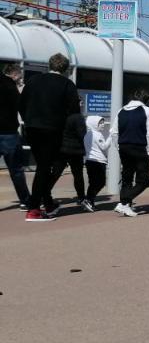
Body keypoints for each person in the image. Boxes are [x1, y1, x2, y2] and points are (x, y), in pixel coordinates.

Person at [18, 52, 79, 221]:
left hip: (32, 128)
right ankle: (34, 208)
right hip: (53, 130)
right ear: (66, 69)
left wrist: (28, 120)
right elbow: (74, 112)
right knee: (48, 168)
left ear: (49, 65)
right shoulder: (67, 85)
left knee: (43, 167)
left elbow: (22, 104)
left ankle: (48, 202)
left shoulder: (33, 81)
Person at [114, 89, 149, 217]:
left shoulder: (121, 111)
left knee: (127, 177)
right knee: (145, 180)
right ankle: (124, 202)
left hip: (123, 147)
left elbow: (114, 132)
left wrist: (118, 147)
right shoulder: (147, 111)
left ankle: (126, 205)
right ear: (145, 100)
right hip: (139, 147)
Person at [0, 63, 31, 208]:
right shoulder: (11, 87)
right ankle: (25, 200)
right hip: (8, 133)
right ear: (14, 74)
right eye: (19, 76)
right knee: (16, 170)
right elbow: (21, 106)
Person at [50, 100, 88, 207]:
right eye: (80, 103)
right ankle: (81, 197)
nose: (82, 105)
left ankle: (44, 194)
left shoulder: (62, 115)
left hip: (61, 149)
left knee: (55, 173)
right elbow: (82, 134)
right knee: (78, 175)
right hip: (75, 150)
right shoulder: (78, 117)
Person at [82, 113, 111, 210]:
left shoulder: (87, 134)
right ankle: (89, 199)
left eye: (103, 122)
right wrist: (111, 136)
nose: (103, 124)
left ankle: (90, 201)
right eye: (100, 123)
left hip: (89, 161)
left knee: (93, 182)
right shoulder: (97, 134)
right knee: (101, 182)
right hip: (98, 161)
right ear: (94, 124)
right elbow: (104, 146)